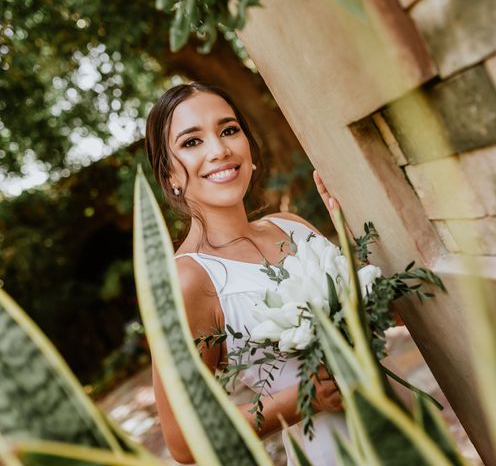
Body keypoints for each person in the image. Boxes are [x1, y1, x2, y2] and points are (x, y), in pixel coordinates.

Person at [144, 81, 348, 465]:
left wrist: (353, 238)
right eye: (192, 142)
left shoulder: (292, 226)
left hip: (404, 424)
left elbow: (391, 314)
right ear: (169, 174)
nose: (219, 150)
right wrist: (306, 397)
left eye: (228, 130)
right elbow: (184, 441)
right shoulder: (188, 280)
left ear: (248, 147)